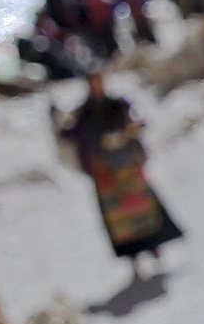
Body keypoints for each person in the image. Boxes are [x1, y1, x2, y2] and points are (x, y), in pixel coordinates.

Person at [55, 72, 182, 271]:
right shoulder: (84, 113)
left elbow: (138, 121)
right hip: (105, 173)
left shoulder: (117, 105)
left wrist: (129, 131)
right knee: (120, 220)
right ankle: (133, 257)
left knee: (142, 210)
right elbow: (67, 134)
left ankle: (154, 248)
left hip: (127, 166)